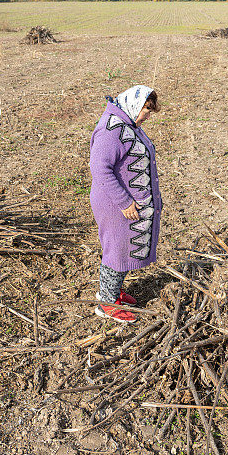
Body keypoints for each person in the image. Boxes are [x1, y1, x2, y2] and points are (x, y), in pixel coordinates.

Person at [89, 85, 162, 323]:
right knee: (117, 252)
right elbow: (99, 169)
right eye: (146, 110)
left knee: (124, 249)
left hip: (124, 205)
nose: (148, 116)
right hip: (114, 205)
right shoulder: (111, 131)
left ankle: (112, 291)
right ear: (133, 104)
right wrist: (124, 201)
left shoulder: (127, 123)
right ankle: (107, 304)